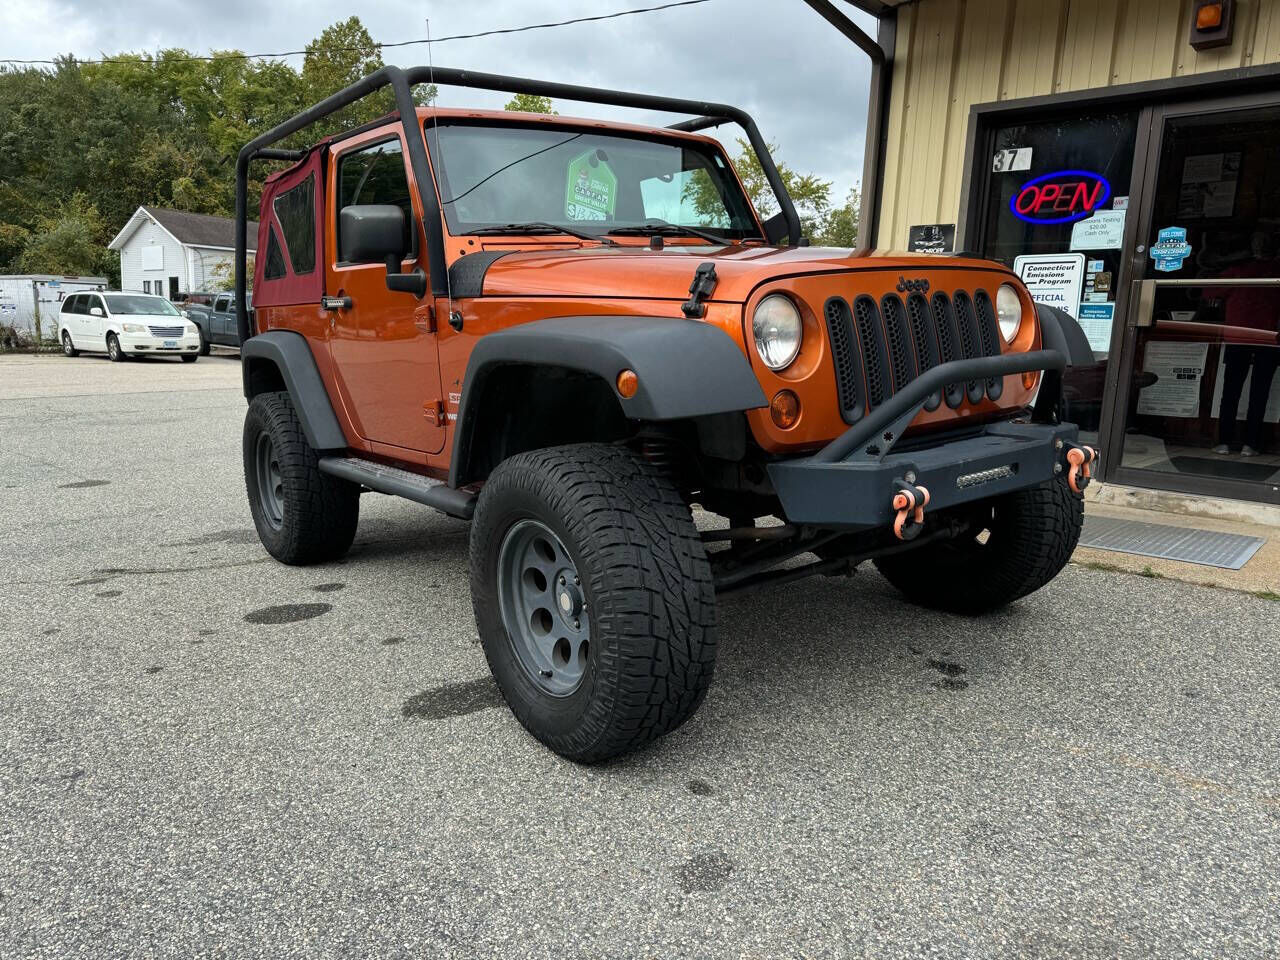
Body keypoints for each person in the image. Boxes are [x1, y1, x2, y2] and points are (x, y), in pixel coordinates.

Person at [1203, 231, 1280, 456]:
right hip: (1268, 338)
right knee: (1260, 393)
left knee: (1231, 390)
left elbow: (1208, 291)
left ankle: (1224, 442)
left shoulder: (1239, 270)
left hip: (1238, 338)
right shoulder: (1276, 271)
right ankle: (1251, 444)